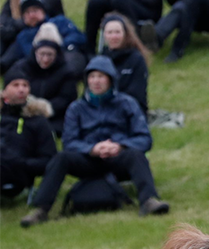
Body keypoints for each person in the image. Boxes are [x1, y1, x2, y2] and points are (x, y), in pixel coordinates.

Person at [20, 55, 168, 227]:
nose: (96, 81)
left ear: (111, 80)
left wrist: (119, 146)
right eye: (92, 77)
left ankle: (149, 201)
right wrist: (92, 148)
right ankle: (41, 210)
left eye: (101, 76)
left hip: (118, 158)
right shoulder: (76, 108)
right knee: (61, 158)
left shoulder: (128, 103)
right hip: (88, 159)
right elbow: (69, 142)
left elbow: (144, 138)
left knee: (136, 155)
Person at [0, 65, 56, 200]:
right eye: (16, 85)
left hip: (19, 174)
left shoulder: (38, 121)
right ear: (4, 91)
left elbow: (49, 160)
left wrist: (22, 163)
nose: (21, 89)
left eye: (25, 85)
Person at [0, 0, 86, 77]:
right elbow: (8, 59)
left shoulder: (59, 22)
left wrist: (60, 47)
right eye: (27, 12)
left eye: (35, 10)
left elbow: (78, 37)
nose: (31, 15)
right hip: (39, 67)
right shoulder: (23, 36)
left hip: (64, 57)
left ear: (43, 11)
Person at [15, 22, 78, 136]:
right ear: (35, 53)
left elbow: (66, 99)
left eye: (50, 55)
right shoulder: (22, 68)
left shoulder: (66, 72)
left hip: (55, 117)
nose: (45, 59)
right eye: (41, 54)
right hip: (25, 113)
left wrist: (43, 108)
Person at [100, 13, 149, 113]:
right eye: (109, 32)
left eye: (117, 32)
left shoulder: (136, 59)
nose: (114, 36)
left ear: (125, 34)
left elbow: (137, 93)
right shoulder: (100, 59)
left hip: (130, 110)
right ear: (104, 35)